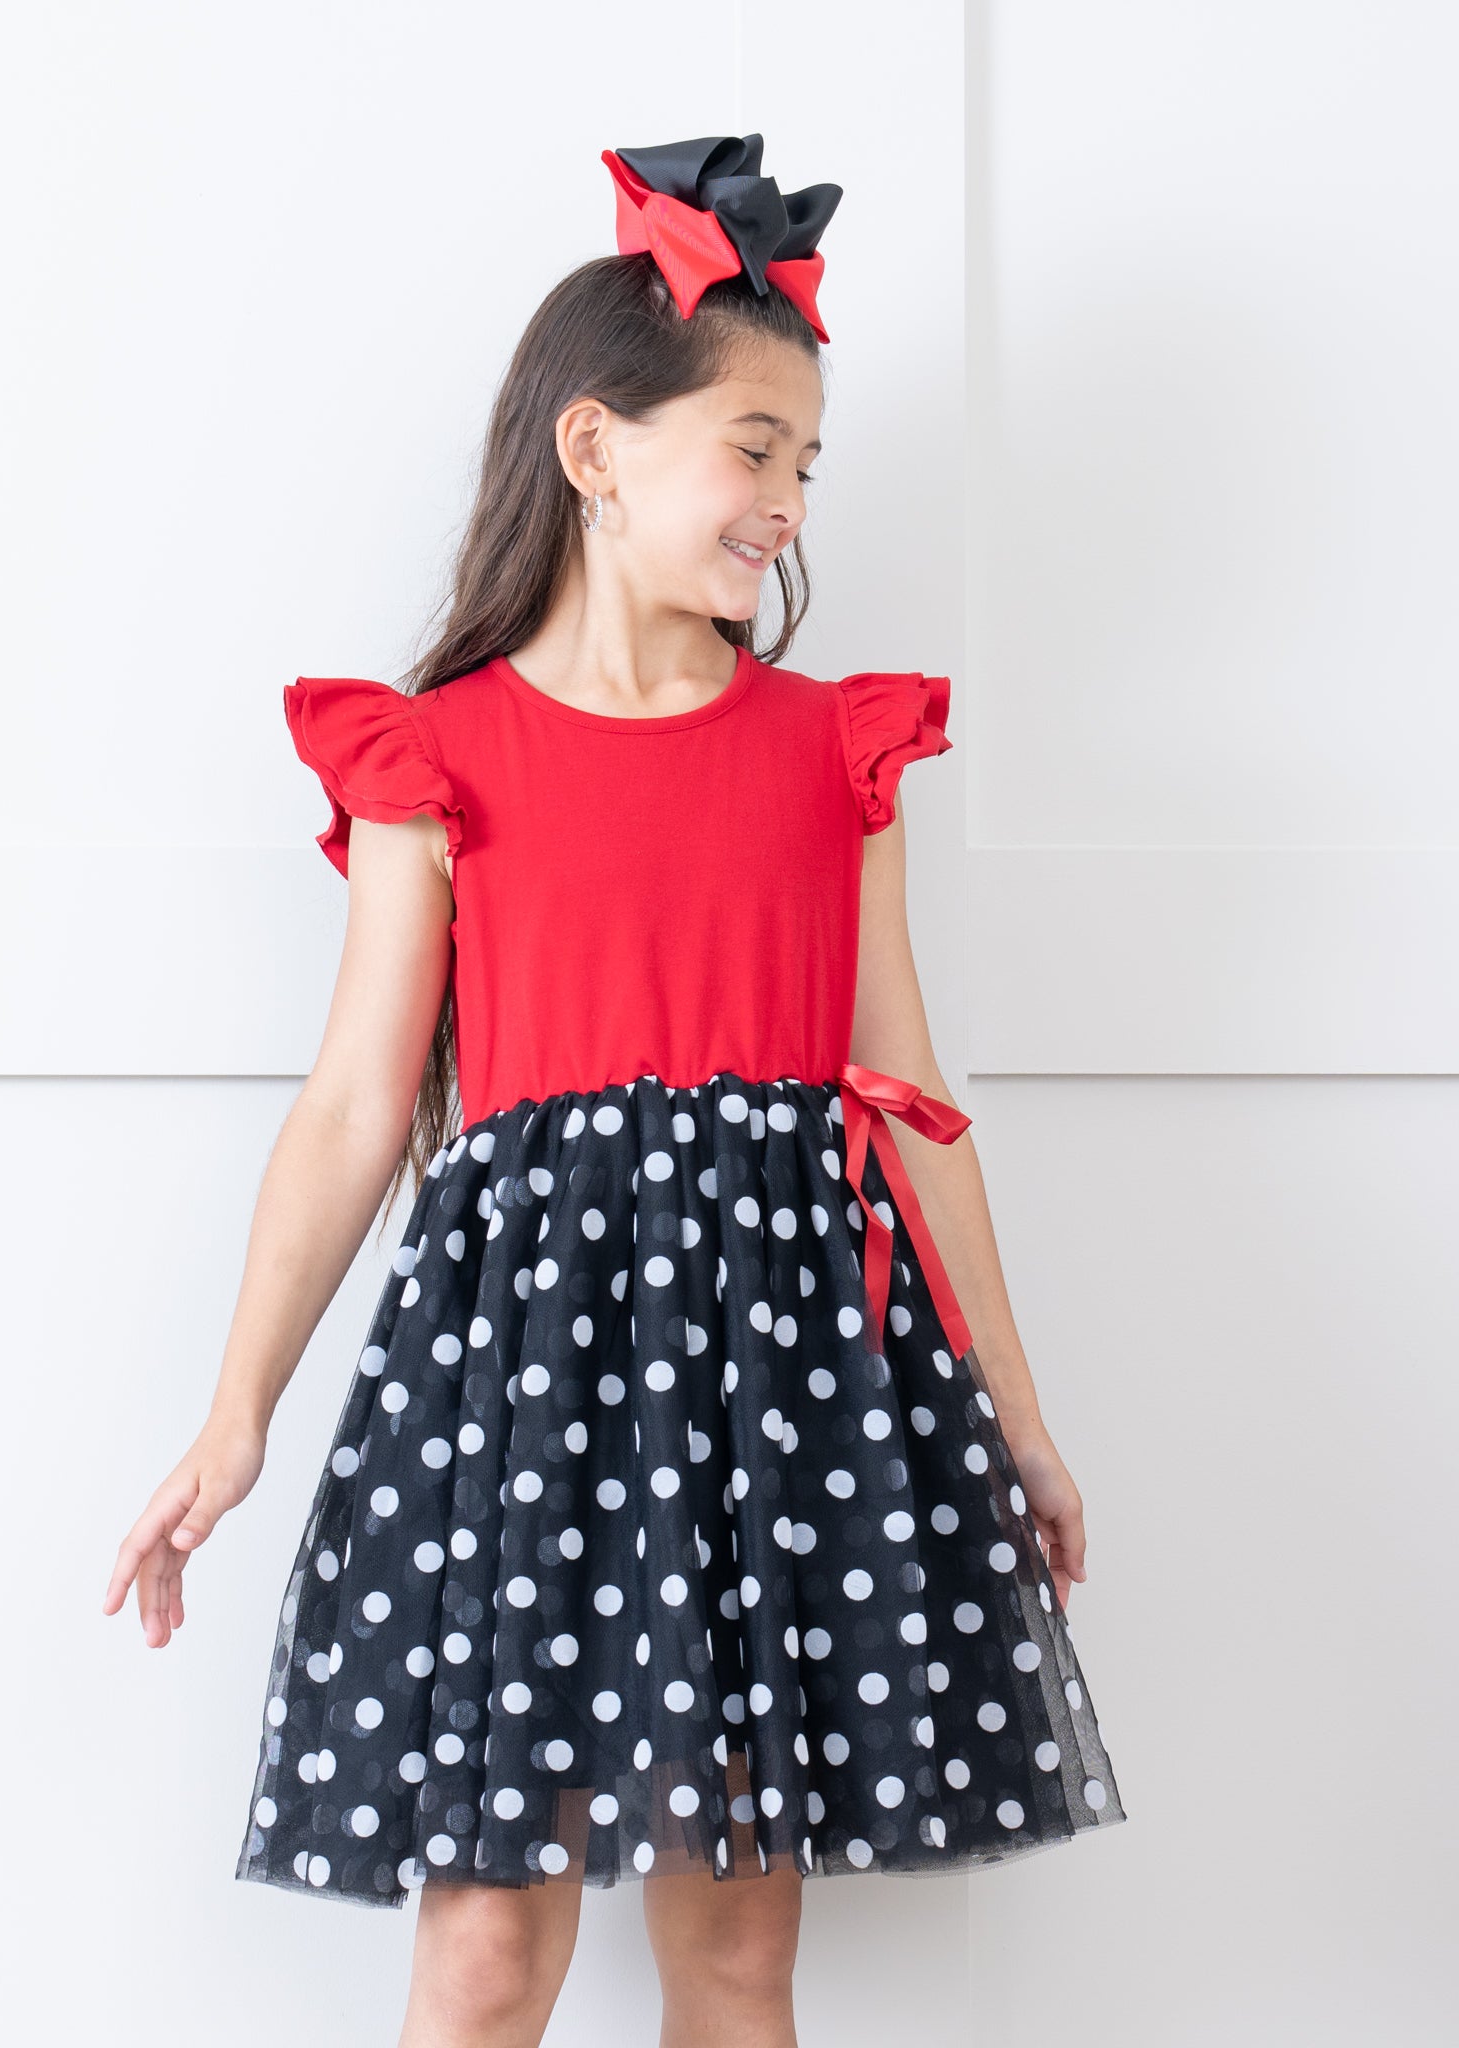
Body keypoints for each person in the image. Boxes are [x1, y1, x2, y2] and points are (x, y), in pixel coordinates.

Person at [104, 132, 1126, 2048]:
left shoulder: (835, 755)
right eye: (754, 449)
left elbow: (907, 1100)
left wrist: (1022, 1415)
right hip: (525, 1396)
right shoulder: (437, 761)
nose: (788, 503)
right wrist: (236, 1417)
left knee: (736, 1955)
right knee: (486, 1954)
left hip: (783, 1389)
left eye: (807, 463)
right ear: (597, 449)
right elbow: (352, 1111)